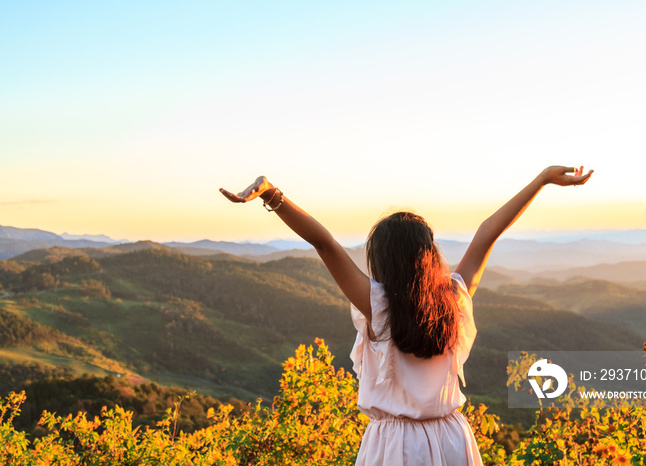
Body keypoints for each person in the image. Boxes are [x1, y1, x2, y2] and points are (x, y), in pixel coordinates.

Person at [219, 165, 593, 466]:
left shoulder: (379, 305)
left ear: (382, 259)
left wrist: (271, 194)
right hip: (452, 440)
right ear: (428, 255)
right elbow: (488, 233)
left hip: (396, 447)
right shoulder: (453, 298)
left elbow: (324, 244)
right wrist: (541, 179)